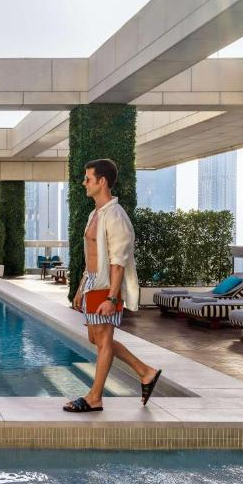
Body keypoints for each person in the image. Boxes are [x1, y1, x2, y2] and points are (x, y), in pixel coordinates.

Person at [64, 159, 162, 413]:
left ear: (102, 181)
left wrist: (111, 297)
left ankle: (95, 397)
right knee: (96, 338)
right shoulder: (95, 214)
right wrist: (81, 287)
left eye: (88, 178)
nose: (84, 183)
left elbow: (118, 261)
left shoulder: (116, 216)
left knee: (105, 339)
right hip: (93, 284)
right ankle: (146, 371)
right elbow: (93, 257)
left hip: (107, 286)